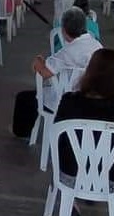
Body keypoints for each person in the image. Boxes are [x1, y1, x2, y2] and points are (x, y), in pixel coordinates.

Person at [54, 48, 114, 216]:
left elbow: (58, 141)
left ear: (90, 72)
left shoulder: (69, 101)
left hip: (72, 174)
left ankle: (71, 202)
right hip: (113, 179)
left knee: (61, 148)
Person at [12, 8, 103, 138]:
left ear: (64, 31)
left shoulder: (67, 52)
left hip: (65, 100)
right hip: (92, 100)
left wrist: (38, 61)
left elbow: (44, 73)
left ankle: (21, 133)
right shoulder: (97, 46)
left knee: (24, 98)